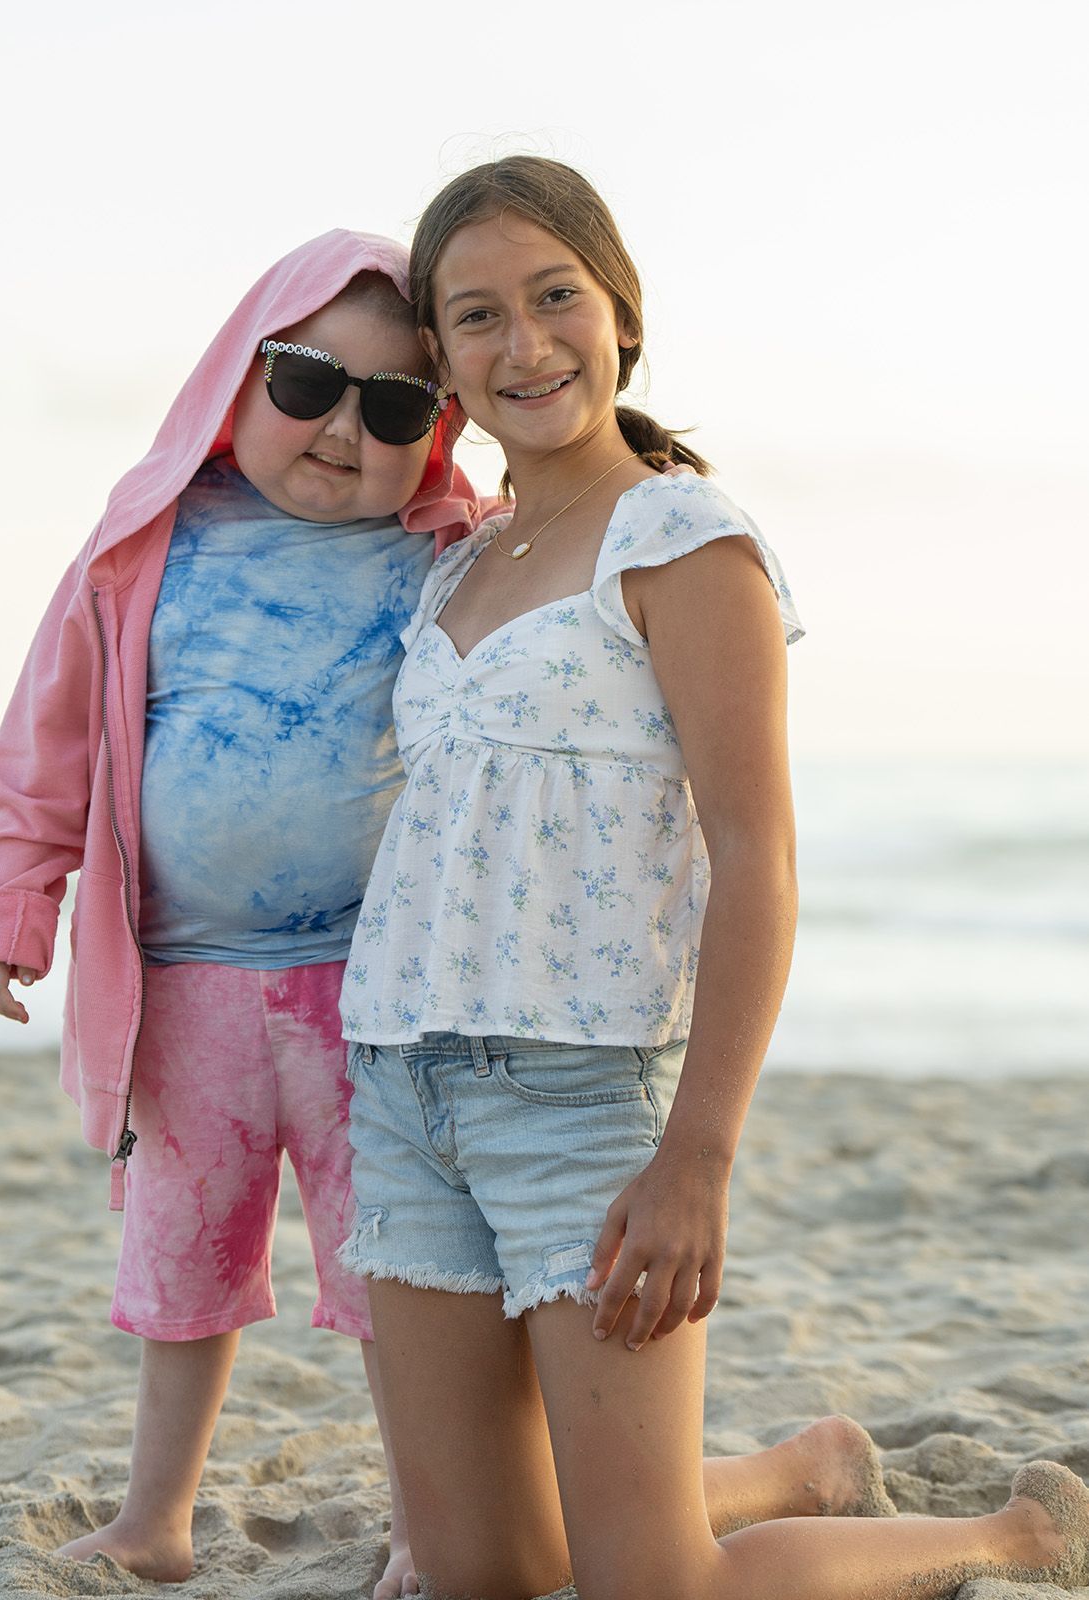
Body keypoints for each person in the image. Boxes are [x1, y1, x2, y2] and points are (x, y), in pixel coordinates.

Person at [336, 157, 1089, 1600]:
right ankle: (798, 1467)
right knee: (474, 1572)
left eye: (555, 298)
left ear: (620, 313)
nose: (524, 344)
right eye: (477, 316)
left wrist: (696, 1157)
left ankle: (1010, 1538)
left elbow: (756, 853)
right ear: (438, 357)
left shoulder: (682, 539)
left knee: (653, 1585)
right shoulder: (455, 568)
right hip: (398, 1083)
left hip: (578, 1100)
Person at [0, 229, 482, 1598]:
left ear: (437, 430)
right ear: (236, 377)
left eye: (395, 407)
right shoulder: (146, 547)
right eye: (308, 383)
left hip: (375, 992)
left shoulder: (446, 554)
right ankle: (156, 1519)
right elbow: (52, 734)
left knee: (394, 1272)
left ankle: (429, 1525)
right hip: (183, 981)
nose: (343, 430)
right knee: (181, 1259)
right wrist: (15, 899)